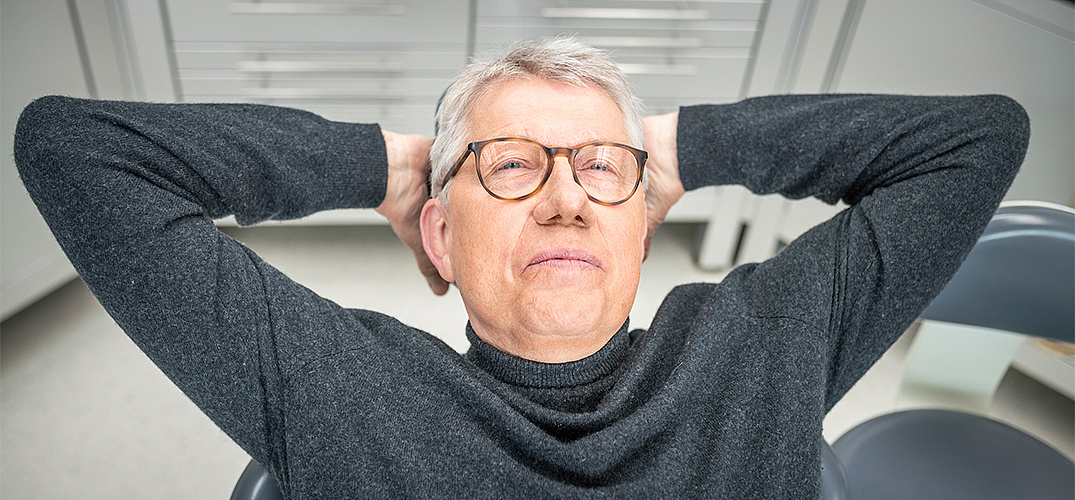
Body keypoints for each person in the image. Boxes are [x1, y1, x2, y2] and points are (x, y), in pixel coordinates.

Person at [14, 37, 1028, 498]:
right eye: (508, 165)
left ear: (642, 226)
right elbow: (75, 150)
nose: (564, 196)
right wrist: (388, 166)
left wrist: (682, 149)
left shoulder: (764, 341)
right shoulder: (335, 382)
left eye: (601, 169)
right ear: (439, 239)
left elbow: (976, 140)